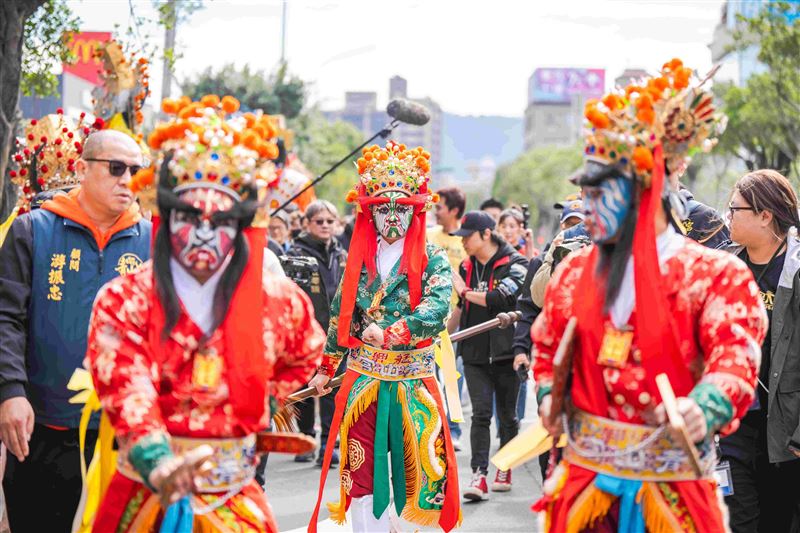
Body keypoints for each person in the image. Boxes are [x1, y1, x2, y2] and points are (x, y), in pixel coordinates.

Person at [532, 58, 767, 531]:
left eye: (600, 193)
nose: (586, 206)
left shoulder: (715, 274)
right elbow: (547, 347)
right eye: (585, 193)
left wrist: (703, 407)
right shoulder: (575, 271)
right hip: (585, 488)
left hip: (672, 491)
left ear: (645, 189)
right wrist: (547, 395)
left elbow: (735, 359)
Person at [83, 95, 324, 532]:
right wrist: (157, 459)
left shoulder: (278, 299)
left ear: (241, 225)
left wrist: (258, 395)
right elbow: (127, 386)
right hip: (148, 494)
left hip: (234, 494)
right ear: (167, 215)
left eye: (222, 221)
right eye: (190, 217)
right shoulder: (125, 299)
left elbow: (306, 350)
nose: (204, 234)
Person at [0, 118, 151, 532]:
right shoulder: (33, 231)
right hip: (42, 426)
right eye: (116, 168)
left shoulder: (152, 242)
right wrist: (10, 392)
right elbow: (7, 318)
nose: (127, 180)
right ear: (82, 169)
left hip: (125, 434)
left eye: (136, 171)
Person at [308, 141, 460, 533]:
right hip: (365, 382)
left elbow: (438, 307)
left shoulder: (432, 257)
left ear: (415, 211)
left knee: (421, 471)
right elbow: (341, 316)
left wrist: (392, 332)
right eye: (383, 209)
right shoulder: (359, 259)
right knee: (361, 473)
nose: (392, 217)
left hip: (413, 381)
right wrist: (326, 368)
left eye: (401, 209)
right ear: (370, 213)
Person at [719, 169, 800, 532]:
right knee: (738, 521)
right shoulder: (725, 267)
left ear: (765, 215)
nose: (728, 216)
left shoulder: (795, 271)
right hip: (734, 427)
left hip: (786, 432)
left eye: (735, 209)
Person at [449, 210, 528, 500]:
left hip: (507, 352)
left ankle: (504, 466)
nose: (463, 242)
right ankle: (478, 475)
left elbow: (500, 299)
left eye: (467, 236)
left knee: (507, 416)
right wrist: (440, 337)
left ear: (485, 234)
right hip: (474, 353)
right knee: (480, 414)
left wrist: (464, 291)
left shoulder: (517, 263)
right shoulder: (466, 265)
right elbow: (462, 308)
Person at [285, 200, 348, 466]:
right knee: (305, 385)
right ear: (307, 224)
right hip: (305, 331)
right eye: (319, 221)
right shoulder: (295, 254)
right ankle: (307, 437)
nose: (324, 226)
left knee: (333, 387)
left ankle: (328, 444)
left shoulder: (342, 254)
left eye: (329, 221)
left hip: (337, 331)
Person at [427, 186, 468, 451]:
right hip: (430, 317)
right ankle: (433, 427)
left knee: (452, 374)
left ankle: (454, 429)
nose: (436, 212)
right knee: (430, 374)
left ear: (454, 210)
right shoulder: (429, 236)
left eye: (440, 207)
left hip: (458, 317)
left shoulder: (466, 240)